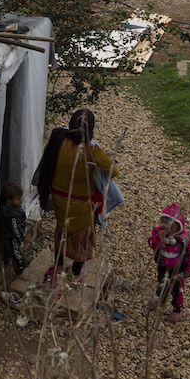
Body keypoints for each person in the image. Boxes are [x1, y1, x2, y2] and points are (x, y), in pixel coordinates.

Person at [33, 109, 117, 288]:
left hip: (59, 199)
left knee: (62, 231)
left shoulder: (58, 140)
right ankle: (77, 273)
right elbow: (113, 171)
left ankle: (60, 265)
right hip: (81, 204)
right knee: (82, 240)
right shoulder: (92, 150)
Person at [147, 203, 190, 323]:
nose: (167, 229)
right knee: (161, 283)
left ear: (178, 226)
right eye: (164, 225)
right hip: (163, 265)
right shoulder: (158, 232)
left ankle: (177, 310)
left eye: (171, 227)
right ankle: (161, 300)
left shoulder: (184, 238)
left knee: (177, 289)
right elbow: (152, 245)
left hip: (178, 269)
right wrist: (158, 238)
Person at [0, 182, 30, 282]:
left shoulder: (9, 209)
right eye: (18, 199)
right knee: (17, 254)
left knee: (8, 251)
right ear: (9, 200)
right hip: (12, 238)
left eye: (21, 198)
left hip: (8, 237)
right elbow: (15, 229)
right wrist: (22, 238)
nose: (21, 201)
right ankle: (19, 272)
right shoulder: (12, 214)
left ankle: (6, 261)